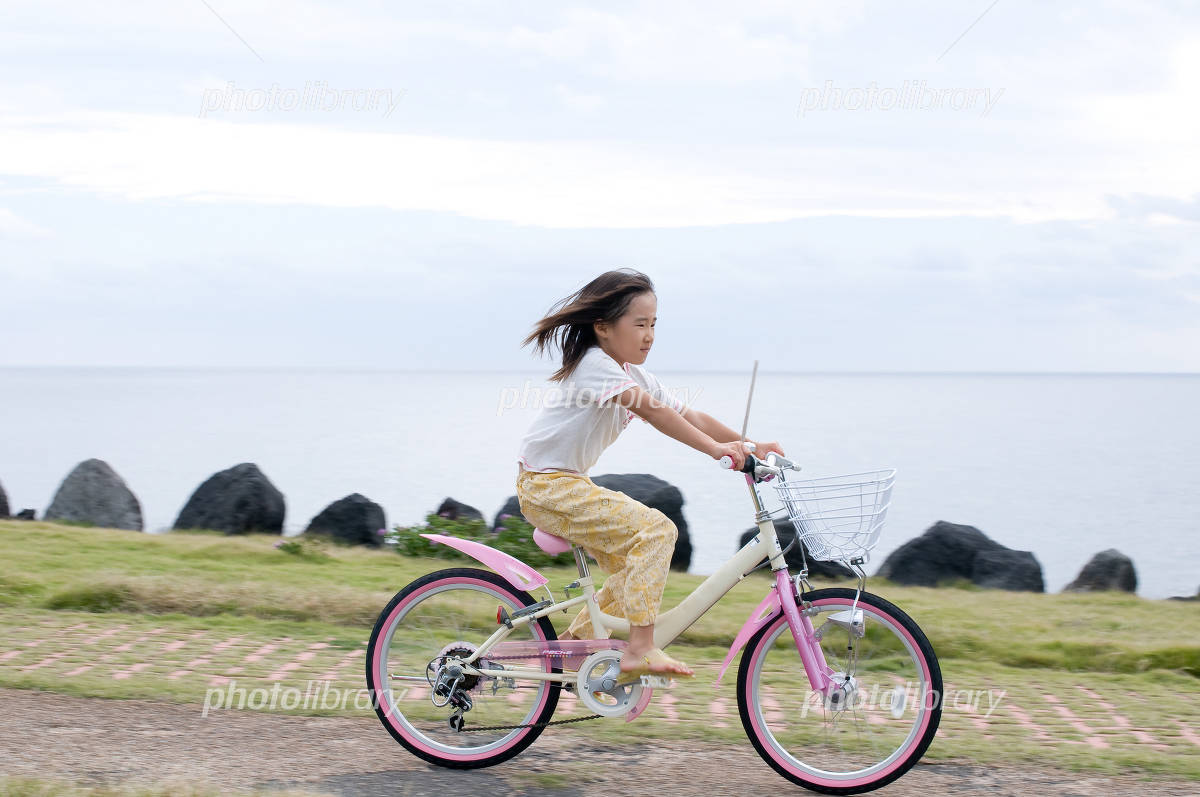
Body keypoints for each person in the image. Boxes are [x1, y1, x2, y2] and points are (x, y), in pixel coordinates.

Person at [515, 268, 784, 678]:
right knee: (658, 533)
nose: (650, 334)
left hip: (568, 483)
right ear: (603, 327)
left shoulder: (632, 373)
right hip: (545, 486)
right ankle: (639, 648)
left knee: (634, 567)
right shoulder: (595, 365)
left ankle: (572, 647)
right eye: (639, 324)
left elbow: (688, 414)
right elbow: (653, 411)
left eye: (654, 324)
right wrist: (715, 451)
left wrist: (749, 446)